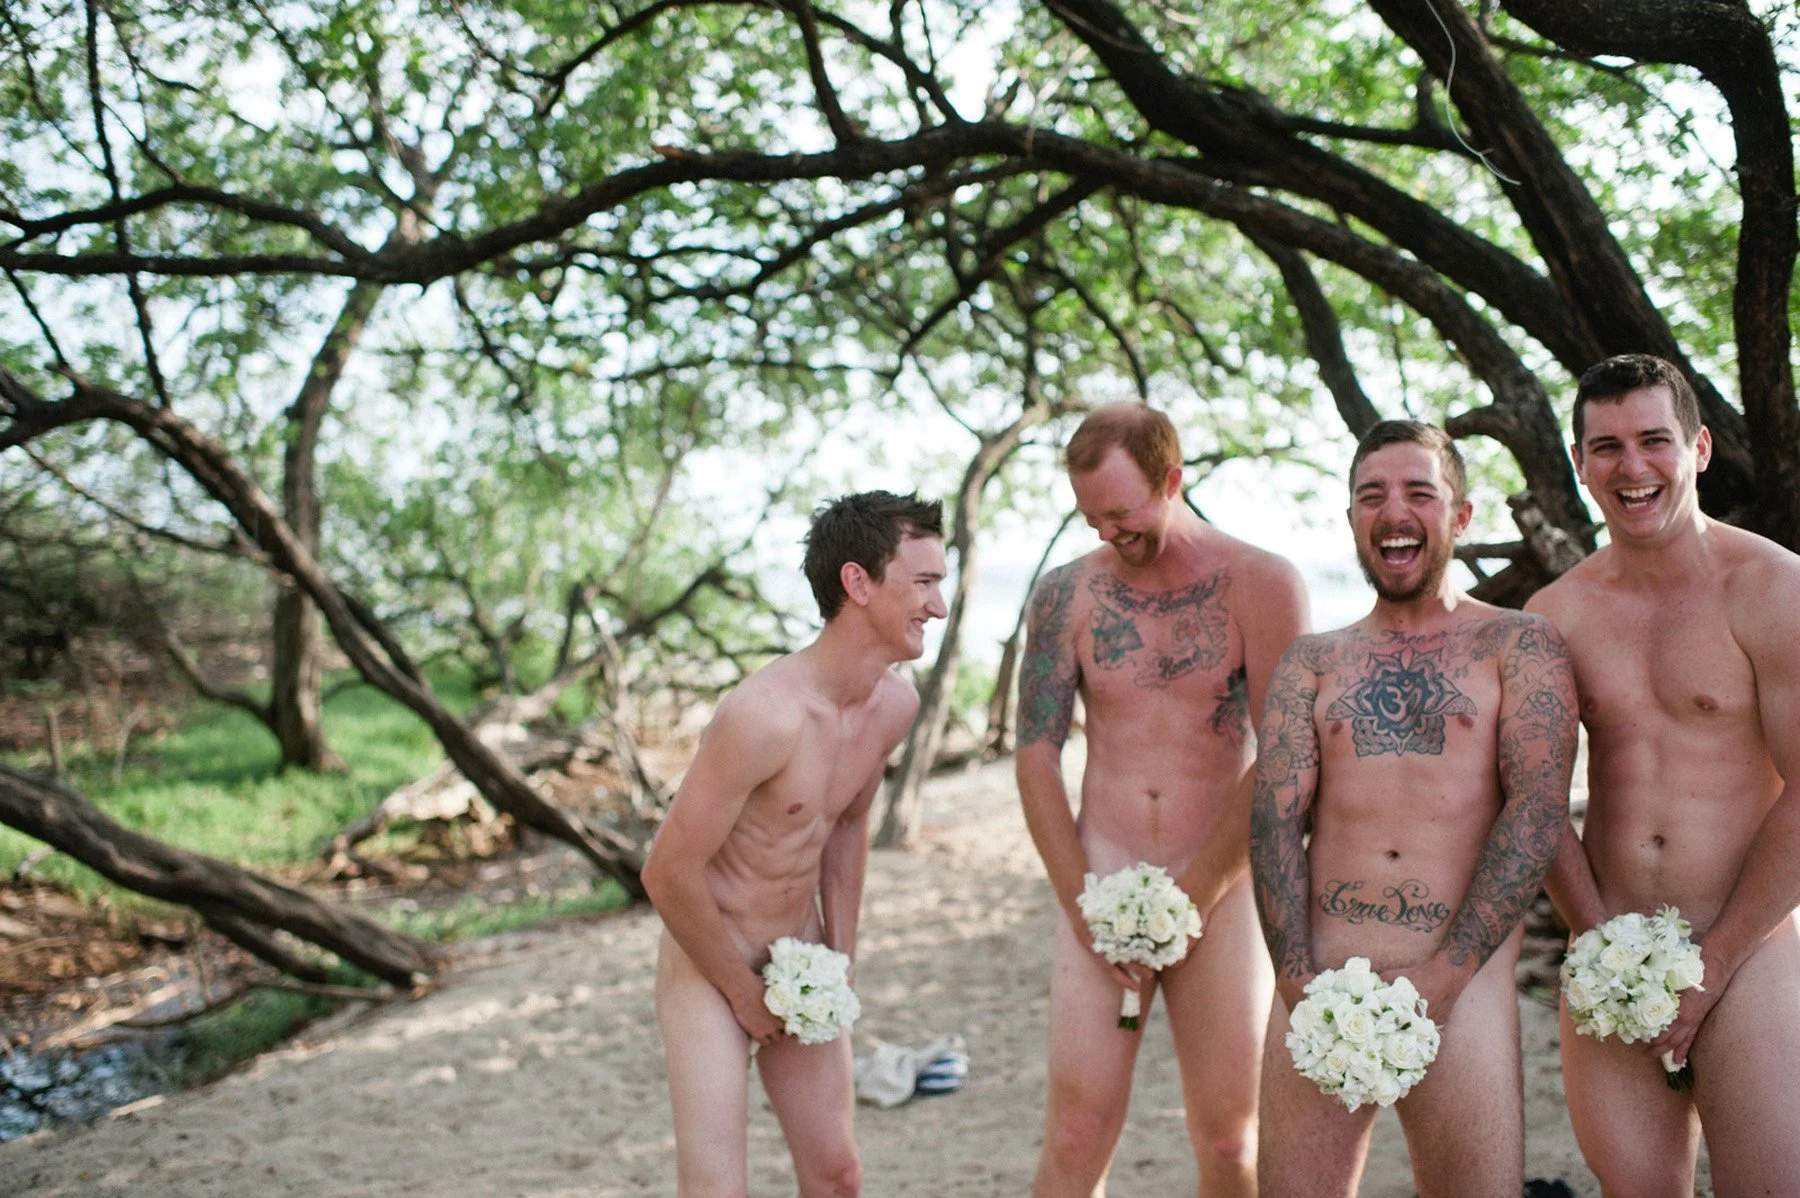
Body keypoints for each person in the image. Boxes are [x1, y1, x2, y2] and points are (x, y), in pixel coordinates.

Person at [1249, 420, 1576, 1197]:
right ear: (1353, 519)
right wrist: (1297, 980)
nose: (1394, 511)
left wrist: (1448, 973)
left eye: (1419, 493)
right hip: (1323, 972)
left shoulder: (1519, 645)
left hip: (1461, 986)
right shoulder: (1312, 660)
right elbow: (1273, 823)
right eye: (1372, 496)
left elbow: (1535, 812)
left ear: (1460, 518)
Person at [1017, 401, 1310, 1197]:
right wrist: (1083, 904)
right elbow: (1036, 756)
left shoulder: (1262, 582)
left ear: (1172, 479)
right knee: (1076, 1131)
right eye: (1090, 518)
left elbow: (1282, 757)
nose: (1107, 532)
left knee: (1227, 1141)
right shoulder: (1062, 596)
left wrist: (1195, 894)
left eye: (1121, 512)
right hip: (1099, 875)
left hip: (1221, 888)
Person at [1528, 354, 1800, 1196]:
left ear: (1701, 449)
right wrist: (1595, 932)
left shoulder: (1774, 589)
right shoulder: (1554, 616)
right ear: (1579, 464)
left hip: (1748, 942)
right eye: (1606, 447)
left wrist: (1715, 961)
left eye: (1654, 441)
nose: (1632, 468)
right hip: (1609, 941)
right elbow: (1533, 805)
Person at [641, 491, 947, 1198]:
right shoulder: (763, 716)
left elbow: (844, 828)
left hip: (801, 954)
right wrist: (741, 991)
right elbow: (666, 871)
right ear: (858, 582)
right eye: (924, 583)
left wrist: (840, 955)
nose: (938, 606)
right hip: (708, 962)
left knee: (838, 1176)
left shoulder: (896, 706)